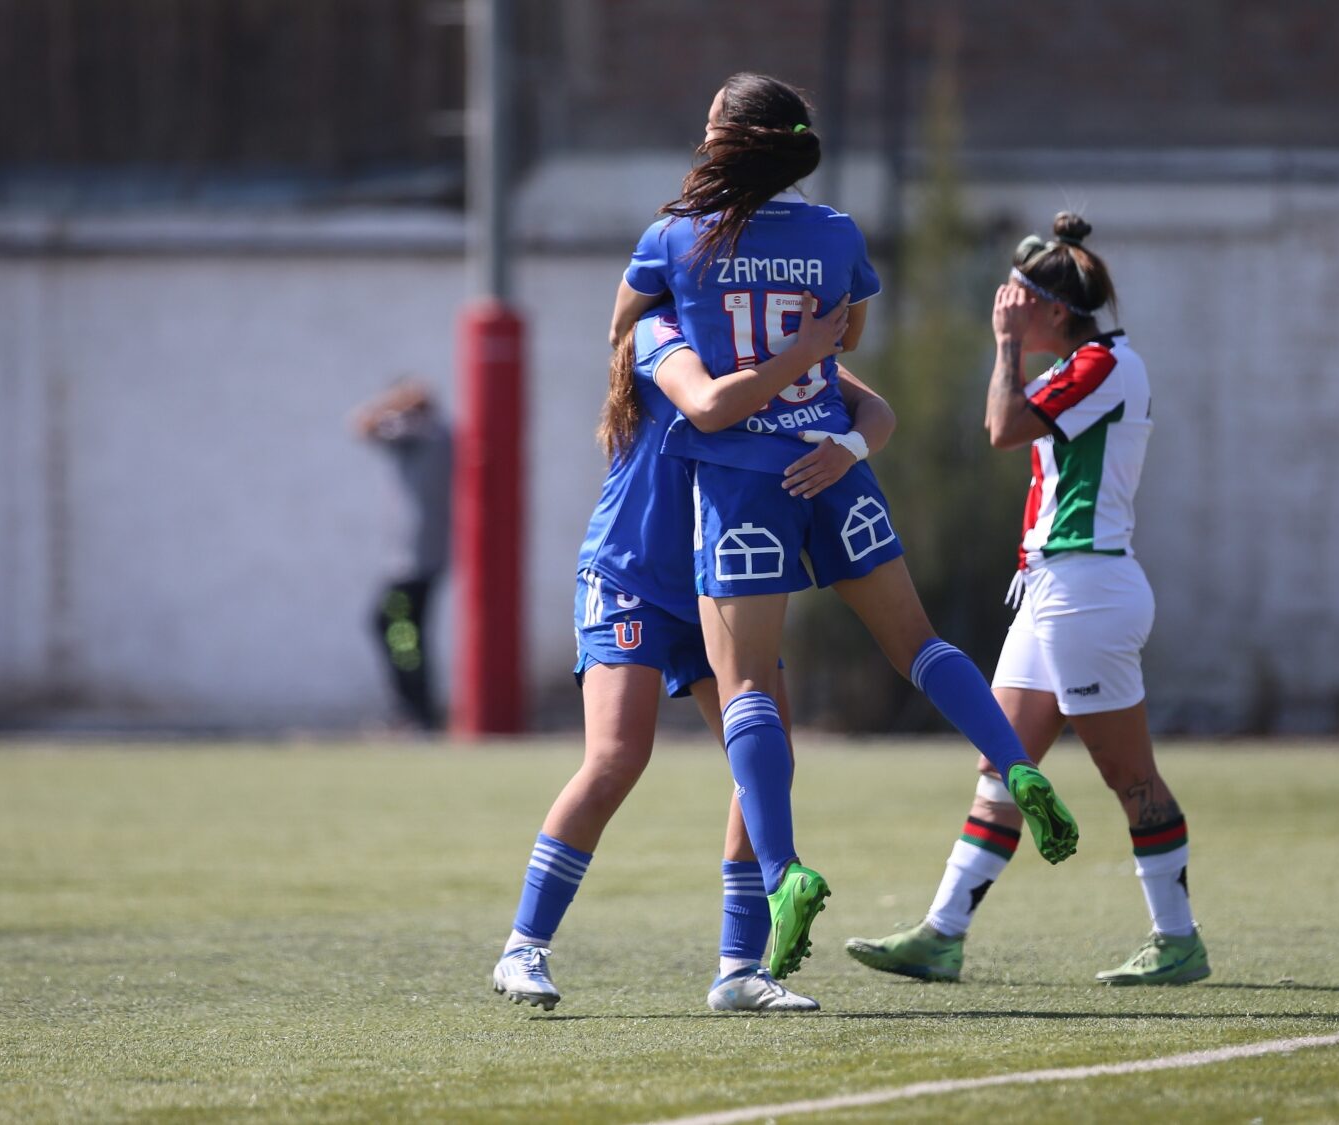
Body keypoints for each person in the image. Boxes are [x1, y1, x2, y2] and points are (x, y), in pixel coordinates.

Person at [608, 73, 1080, 982]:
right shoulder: (835, 235)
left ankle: (784, 870)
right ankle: (1013, 762)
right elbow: (846, 338)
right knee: (918, 642)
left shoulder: (673, 239)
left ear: (732, 140)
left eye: (711, 125)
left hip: (744, 480)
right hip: (830, 460)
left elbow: (631, 325)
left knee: (745, 681)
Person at [491, 298, 898, 1012]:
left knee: (767, 759)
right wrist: (798, 357)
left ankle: (739, 970)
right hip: (632, 577)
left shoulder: (764, 341)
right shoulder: (660, 332)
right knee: (618, 755)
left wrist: (847, 450)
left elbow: (876, 413)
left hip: (723, 582)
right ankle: (523, 947)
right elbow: (709, 405)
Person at [846, 212, 1210, 987]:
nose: (1005, 306)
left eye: (1018, 297)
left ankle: (1178, 939)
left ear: (1053, 307)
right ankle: (942, 933)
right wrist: (1011, 348)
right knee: (1002, 763)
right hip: (1052, 588)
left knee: (1128, 774)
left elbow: (1004, 428)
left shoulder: (1109, 363)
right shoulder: (1077, 363)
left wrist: (1005, 345)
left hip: (1089, 589)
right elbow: (1000, 420)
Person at [351, 379, 451, 730]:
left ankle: (416, 710)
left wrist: (392, 399)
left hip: (415, 560)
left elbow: (362, 423)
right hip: (416, 557)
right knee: (404, 629)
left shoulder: (426, 432)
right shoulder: (431, 435)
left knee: (393, 626)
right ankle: (418, 712)